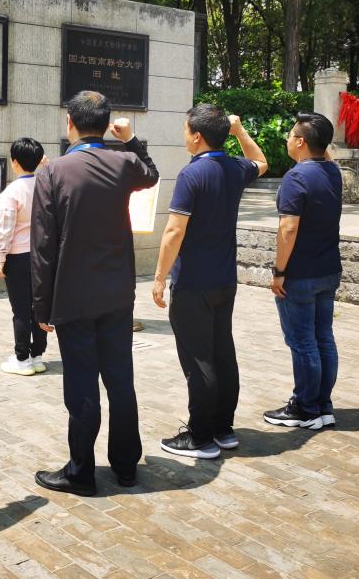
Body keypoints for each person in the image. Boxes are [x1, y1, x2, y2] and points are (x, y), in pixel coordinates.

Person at [32, 90, 159, 496]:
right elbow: (152, 174)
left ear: (69, 123)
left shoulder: (53, 172)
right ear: (105, 126)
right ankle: (126, 466)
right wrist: (131, 139)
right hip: (117, 294)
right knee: (121, 381)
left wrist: (41, 305)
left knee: (82, 386)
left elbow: (43, 247)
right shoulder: (124, 162)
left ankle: (81, 472)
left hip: (73, 297)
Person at [152, 106, 267, 460]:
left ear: (197, 136)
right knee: (222, 354)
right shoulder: (234, 167)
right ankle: (223, 429)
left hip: (193, 283)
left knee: (199, 359)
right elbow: (261, 163)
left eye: (186, 130)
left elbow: (174, 231)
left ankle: (200, 437)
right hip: (224, 280)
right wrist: (240, 131)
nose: (184, 136)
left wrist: (159, 278)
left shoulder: (192, 174)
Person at [263, 112, 343, 431]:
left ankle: (306, 408)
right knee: (323, 337)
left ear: (300, 142)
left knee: (303, 342)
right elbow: (325, 154)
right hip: (328, 270)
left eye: (290, 134)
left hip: (300, 275)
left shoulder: (296, 177)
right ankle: (323, 406)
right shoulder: (333, 171)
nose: (286, 139)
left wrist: (279, 271)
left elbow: (288, 229)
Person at [0, 137, 48, 376]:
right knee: (39, 308)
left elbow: (6, 230)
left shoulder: (11, 192)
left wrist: (0, 259)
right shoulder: (46, 185)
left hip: (17, 257)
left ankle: (22, 359)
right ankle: (37, 356)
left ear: (14, 162)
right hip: (42, 256)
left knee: (21, 310)